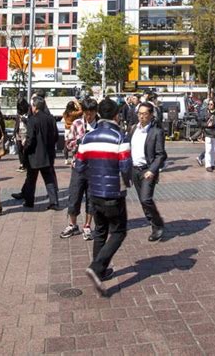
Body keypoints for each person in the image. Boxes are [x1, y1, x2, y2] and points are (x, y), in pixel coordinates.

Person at [75, 97, 132, 294]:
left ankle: (100, 271)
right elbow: (125, 166)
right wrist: (129, 181)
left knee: (100, 230)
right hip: (113, 192)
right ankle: (97, 267)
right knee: (119, 231)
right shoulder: (120, 137)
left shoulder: (87, 137)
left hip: (94, 192)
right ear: (116, 115)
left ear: (99, 114)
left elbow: (79, 165)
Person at [60, 97, 99, 240]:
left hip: (95, 168)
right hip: (78, 166)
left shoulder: (101, 126)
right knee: (74, 195)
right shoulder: (77, 124)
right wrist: (78, 141)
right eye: (86, 113)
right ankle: (72, 224)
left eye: (91, 113)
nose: (88, 117)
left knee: (91, 197)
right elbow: (68, 144)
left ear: (95, 112)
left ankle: (87, 226)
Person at [129, 101, 167, 241]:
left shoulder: (156, 132)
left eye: (145, 114)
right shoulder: (133, 129)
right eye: (139, 113)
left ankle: (158, 225)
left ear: (151, 115)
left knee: (146, 199)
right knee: (142, 200)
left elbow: (161, 154)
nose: (141, 117)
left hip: (147, 171)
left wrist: (152, 170)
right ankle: (154, 224)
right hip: (134, 170)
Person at [22, 96, 59, 209]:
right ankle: (54, 202)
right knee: (49, 179)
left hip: (34, 155)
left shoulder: (32, 120)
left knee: (31, 179)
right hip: (48, 154)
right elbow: (56, 136)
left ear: (35, 107)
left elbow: (30, 138)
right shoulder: (51, 119)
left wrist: (25, 148)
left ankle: (29, 201)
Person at [202, 99, 215, 172]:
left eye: (211, 104)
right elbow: (200, 123)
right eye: (209, 104)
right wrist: (206, 124)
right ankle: (208, 165)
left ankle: (212, 164)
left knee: (214, 150)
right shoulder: (205, 113)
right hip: (208, 133)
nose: (209, 106)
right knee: (209, 150)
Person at [62, 99, 83, 165]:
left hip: (66, 129)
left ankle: (66, 159)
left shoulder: (65, 113)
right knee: (74, 144)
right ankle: (73, 158)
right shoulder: (73, 113)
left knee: (66, 144)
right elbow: (81, 111)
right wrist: (77, 103)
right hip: (73, 129)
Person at [13, 98, 29, 172]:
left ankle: (26, 164)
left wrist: (24, 120)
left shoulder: (29, 111)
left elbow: (31, 122)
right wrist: (14, 132)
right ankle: (21, 164)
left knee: (25, 149)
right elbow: (16, 123)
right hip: (18, 132)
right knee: (19, 149)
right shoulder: (18, 112)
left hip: (25, 132)